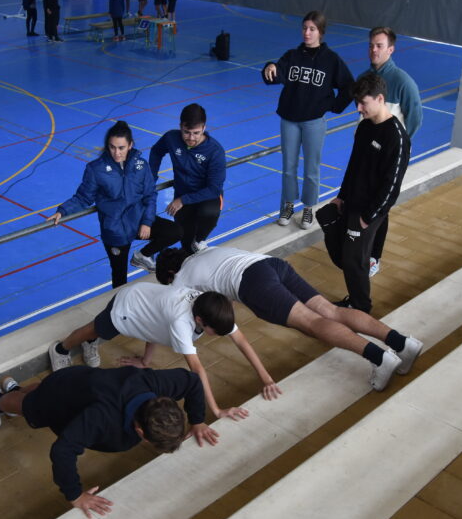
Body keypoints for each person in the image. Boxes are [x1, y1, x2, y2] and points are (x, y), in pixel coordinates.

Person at [156, 247, 422, 391]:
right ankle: (402, 343)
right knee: (330, 311)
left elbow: (173, 310)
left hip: (254, 284)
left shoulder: (180, 278)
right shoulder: (203, 251)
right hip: (271, 265)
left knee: (313, 323)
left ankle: (380, 358)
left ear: (170, 272)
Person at [0, 365, 216, 518]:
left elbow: (193, 380)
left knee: (41, 390)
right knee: (28, 408)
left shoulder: (157, 387)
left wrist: (197, 420)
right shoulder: (102, 417)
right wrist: (75, 495)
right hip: (57, 399)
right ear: (139, 430)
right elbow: (63, 450)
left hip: (76, 379)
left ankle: (18, 389)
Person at [47, 283, 280, 421]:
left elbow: (241, 341)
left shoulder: (213, 307)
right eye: (215, 332)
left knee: (102, 332)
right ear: (200, 321)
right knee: (95, 329)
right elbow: (197, 369)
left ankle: (90, 343)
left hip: (146, 303)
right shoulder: (182, 321)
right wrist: (217, 411)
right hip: (127, 306)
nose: (219, 336)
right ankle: (61, 348)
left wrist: (267, 379)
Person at [317, 74, 410, 315]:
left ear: (380, 99)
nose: (358, 108)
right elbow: (354, 165)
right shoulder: (364, 127)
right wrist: (341, 195)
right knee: (334, 234)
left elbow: (392, 185)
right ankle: (365, 263)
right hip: (352, 200)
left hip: (369, 209)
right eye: (357, 102)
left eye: (363, 103)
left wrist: (369, 216)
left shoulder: (397, 138)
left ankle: (360, 307)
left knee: (353, 260)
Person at [49, 121, 182, 286]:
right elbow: (83, 197)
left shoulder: (141, 166)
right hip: (115, 231)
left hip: (139, 220)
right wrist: (63, 211)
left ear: (130, 145)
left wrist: (147, 222)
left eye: (121, 148)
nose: (117, 153)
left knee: (175, 231)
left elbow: (150, 195)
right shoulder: (95, 169)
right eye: (112, 147)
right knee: (119, 277)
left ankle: (142, 256)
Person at [262, 11, 354, 230]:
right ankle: (287, 205)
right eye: (304, 28)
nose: (307, 33)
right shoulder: (292, 55)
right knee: (288, 166)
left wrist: (332, 106)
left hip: (314, 121)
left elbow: (349, 86)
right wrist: (270, 66)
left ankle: (308, 209)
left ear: (320, 32)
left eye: (312, 29)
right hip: (289, 119)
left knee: (312, 167)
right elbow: (276, 73)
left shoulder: (331, 60)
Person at [359, 26, 422, 278]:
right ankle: (359, 247)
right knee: (362, 199)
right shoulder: (365, 78)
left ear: (391, 49)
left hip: (387, 159)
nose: (374, 50)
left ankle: (373, 256)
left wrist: (399, 150)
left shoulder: (403, 82)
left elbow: (415, 118)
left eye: (379, 46)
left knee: (381, 206)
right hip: (366, 153)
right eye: (371, 45)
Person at [149, 103, 227, 255]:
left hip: (207, 196)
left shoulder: (215, 151)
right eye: (186, 132)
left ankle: (200, 240)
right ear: (180, 127)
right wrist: (151, 176)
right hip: (183, 193)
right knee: (184, 240)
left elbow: (214, 189)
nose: (191, 138)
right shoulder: (171, 138)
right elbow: (156, 151)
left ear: (204, 128)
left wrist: (182, 200)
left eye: (196, 133)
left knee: (208, 213)